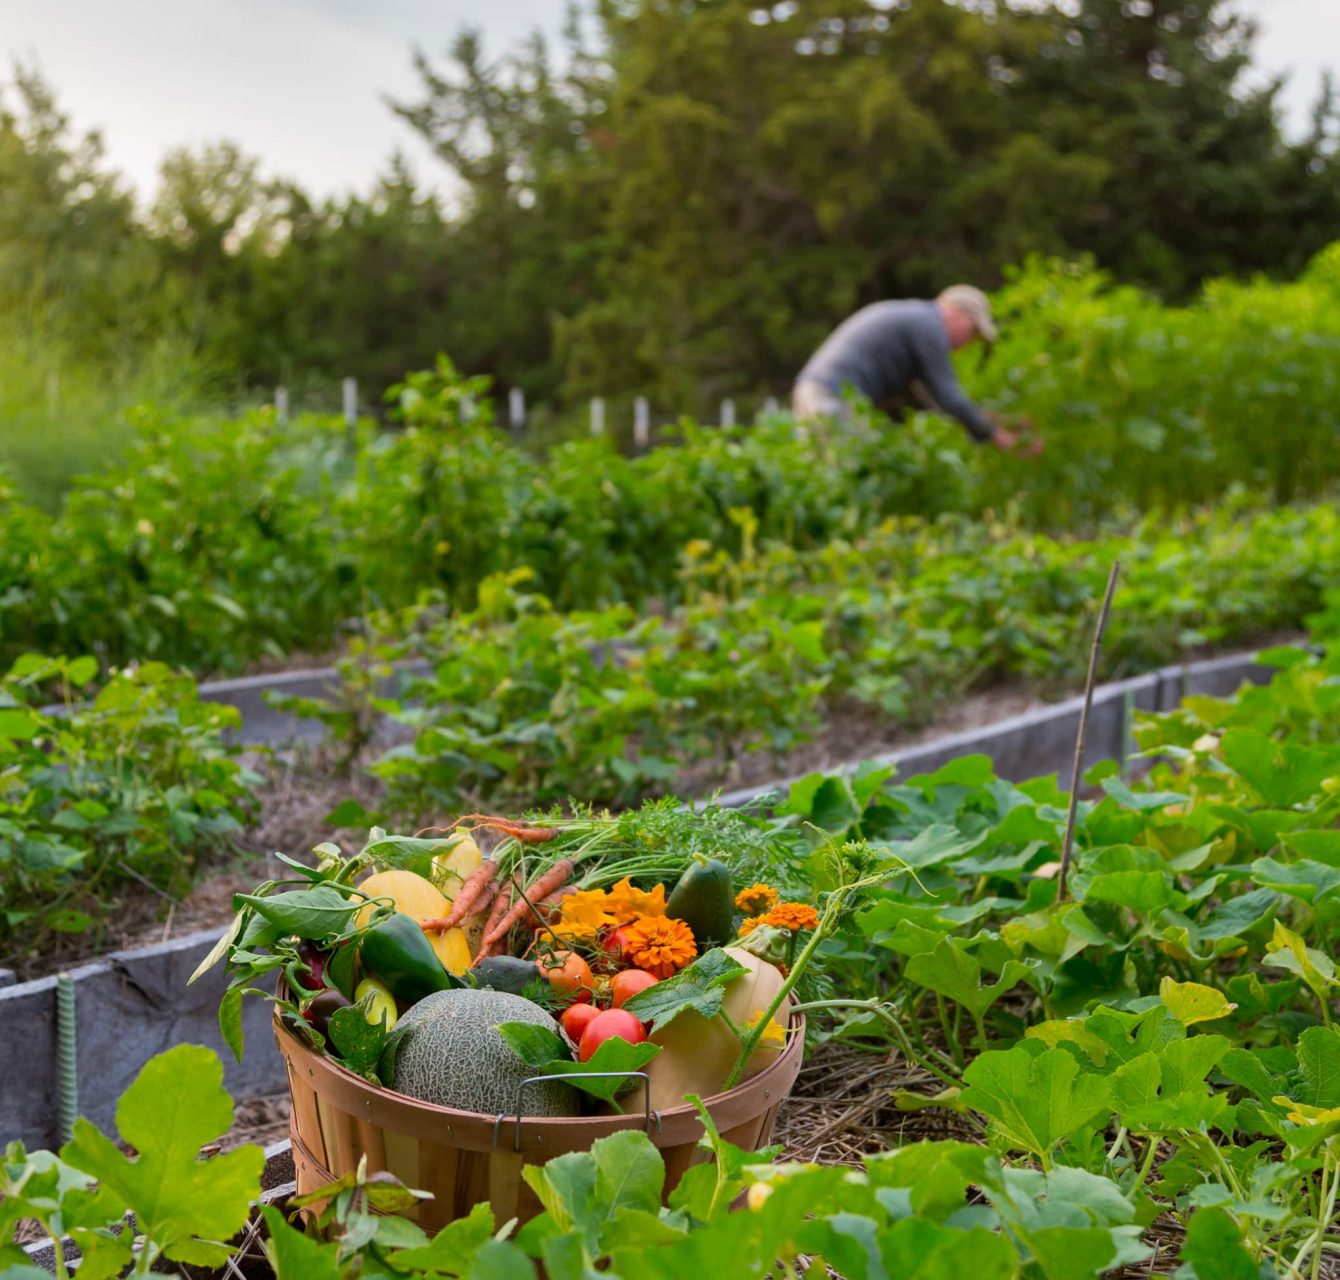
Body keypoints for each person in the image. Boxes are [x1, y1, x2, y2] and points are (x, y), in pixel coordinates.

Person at [792, 284, 1039, 452]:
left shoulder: (915, 322)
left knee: (824, 473)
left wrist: (1001, 422)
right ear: (958, 315)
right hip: (829, 399)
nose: (968, 342)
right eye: (972, 331)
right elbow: (950, 397)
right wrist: (995, 436)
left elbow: (936, 406)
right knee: (846, 477)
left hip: (814, 391)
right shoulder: (928, 326)